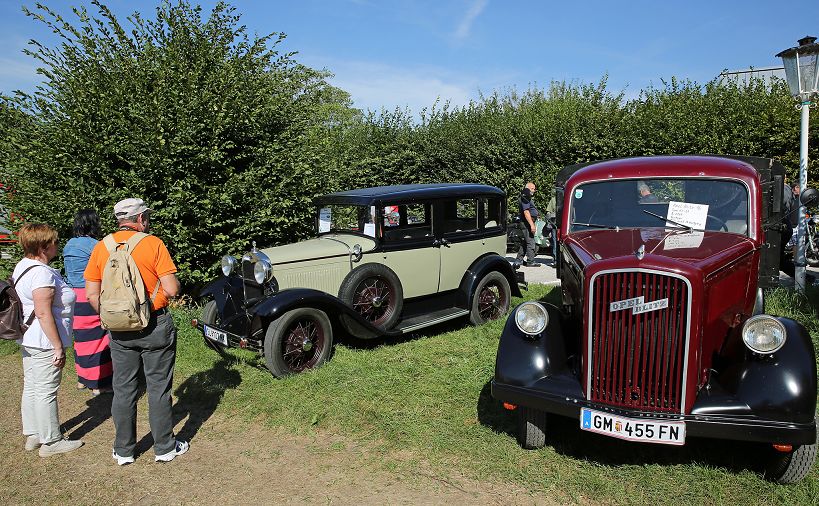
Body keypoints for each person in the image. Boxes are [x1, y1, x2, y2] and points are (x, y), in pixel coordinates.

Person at [83, 198, 186, 465]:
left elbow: (92, 294)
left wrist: (115, 315)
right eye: (147, 216)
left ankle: (124, 450)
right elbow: (172, 289)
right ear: (140, 218)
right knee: (158, 388)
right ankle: (164, 447)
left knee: (123, 388)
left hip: (118, 329)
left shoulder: (101, 247)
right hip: (154, 324)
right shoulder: (153, 243)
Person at [12, 223, 84, 457]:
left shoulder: (23, 266)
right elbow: (43, 312)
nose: (57, 245)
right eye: (53, 242)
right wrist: (57, 347)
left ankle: (34, 433)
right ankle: (51, 441)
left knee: (33, 386)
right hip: (43, 340)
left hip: (29, 337)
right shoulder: (42, 273)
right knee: (46, 390)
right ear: (44, 246)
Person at [64, 209, 112, 396]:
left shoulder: (69, 245)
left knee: (81, 339)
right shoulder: (96, 245)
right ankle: (98, 383)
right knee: (98, 339)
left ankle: (82, 379)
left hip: (72, 296)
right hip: (90, 295)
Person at [516, 182, 541, 267]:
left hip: (528, 222)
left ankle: (518, 259)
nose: (534, 191)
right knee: (531, 241)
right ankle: (530, 261)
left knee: (525, 242)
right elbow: (526, 212)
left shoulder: (527, 197)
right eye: (532, 189)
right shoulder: (525, 197)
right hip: (527, 222)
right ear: (527, 188)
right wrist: (532, 225)